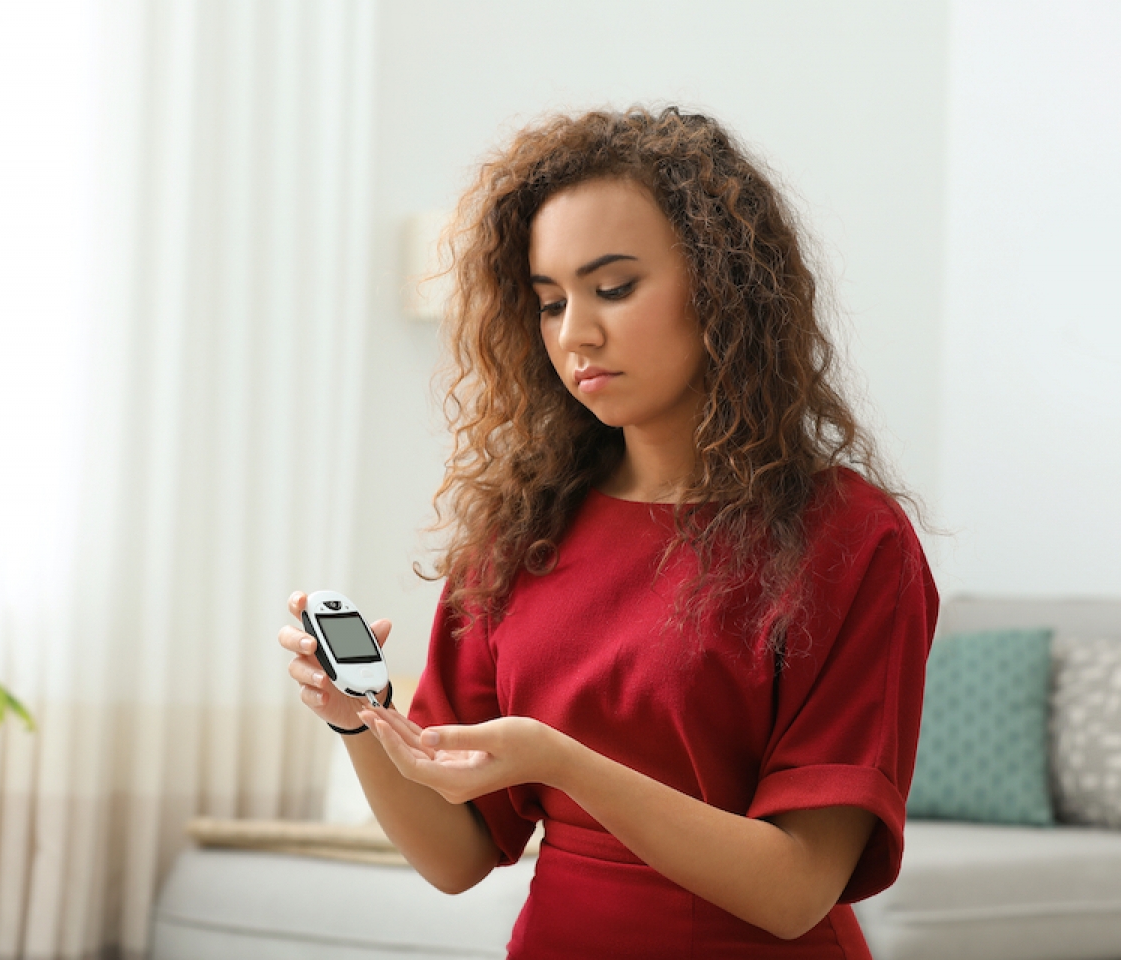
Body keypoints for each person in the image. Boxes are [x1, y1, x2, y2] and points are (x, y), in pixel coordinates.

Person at [278, 107, 937, 958]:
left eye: (614, 288)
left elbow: (794, 890)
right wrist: (359, 722)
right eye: (550, 303)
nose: (574, 334)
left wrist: (561, 761)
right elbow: (456, 856)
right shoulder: (520, 531)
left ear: (722, 286)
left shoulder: (851, 539)